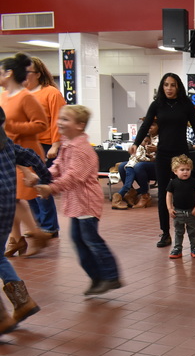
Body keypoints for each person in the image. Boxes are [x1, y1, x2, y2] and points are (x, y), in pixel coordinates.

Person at [36, 106, 122, 297]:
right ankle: (98, 278)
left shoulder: (82, 150)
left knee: (91, 240)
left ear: (80, 125)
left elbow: (74, 176)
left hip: (86, 202)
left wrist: (51, 188)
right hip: (76, 203)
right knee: (79, 240)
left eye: (66, 119)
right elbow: (58, 166)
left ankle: (111, 276)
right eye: (60, 118)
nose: (60, 122)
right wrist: (42, 177)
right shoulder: (67, 143)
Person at [132, 73, 195, 248]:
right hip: (163, 155)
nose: (169, 88)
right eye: (166, 85)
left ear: (178, 87)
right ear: (162, 87)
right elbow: (146, 125)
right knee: (163, 195)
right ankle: (165, 234)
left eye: (173, 85)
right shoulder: (157, 105)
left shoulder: (186, 105)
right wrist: (135, 143)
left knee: (186, 193)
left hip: (181, 156)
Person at [0, 108, 50, 335]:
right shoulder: (7, 144)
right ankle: (22, 303)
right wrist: (45, 175)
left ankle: (2, 318)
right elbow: (30, 156)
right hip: (7, 205)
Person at [0, 53, 50, 258]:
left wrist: (11, 126)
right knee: (10, 197)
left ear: (9, 73)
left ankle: (35, 234)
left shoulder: (26, 96)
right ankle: (17, 238)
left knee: (14, 198)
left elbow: (41, 124)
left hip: (23, 152)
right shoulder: (3, 95)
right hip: (5, 153)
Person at [25, 56, 65, 237]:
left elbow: (59, 120)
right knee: (28, 186)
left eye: (27, 71)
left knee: (42, 184)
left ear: (38, 74)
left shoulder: (51, 93)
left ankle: (49, 227)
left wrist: (55, 145)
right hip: (25, 145)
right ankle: (38, 224)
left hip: (45, 145)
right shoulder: (21, 94)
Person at [112, 123, 157, 210]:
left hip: (157, 164)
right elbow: (139, 156)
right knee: (122, 166)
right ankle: (130, 194)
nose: (150, 127)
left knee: (138, 167)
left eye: (153, 125)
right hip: (137, 163)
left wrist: (156, 151)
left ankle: (140, 195)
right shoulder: (141, 143)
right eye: (149, 124)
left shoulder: (162, 136)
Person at [166, 154, 195, 259]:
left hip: (191, 211)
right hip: (178, 212)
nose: (185, 172)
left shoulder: (193, 182)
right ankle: (177, 248)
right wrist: (170, 208)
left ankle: (194, 247)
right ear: (175, 171)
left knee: (192, 231)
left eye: (188, 169)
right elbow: (168, 195)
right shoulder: (173, 183)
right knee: (178, 231)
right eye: (182, 169)